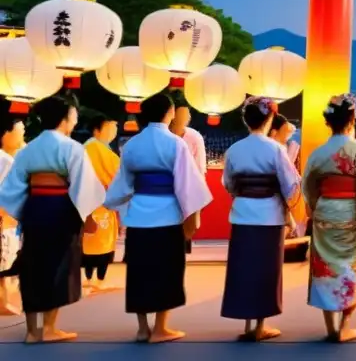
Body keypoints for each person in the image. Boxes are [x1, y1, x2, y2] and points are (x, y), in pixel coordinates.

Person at [105, 92, 213, 343]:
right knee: (167, 271)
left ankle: (143, 328)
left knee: (140, 272)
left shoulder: (132, 144)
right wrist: (192, 217)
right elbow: (188, 184)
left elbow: (123, 183)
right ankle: (161, 327)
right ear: (169, 113)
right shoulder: (176, 143)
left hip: (139, 215)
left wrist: (115, 204)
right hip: (168, 215)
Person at [0, 95, 105, 343]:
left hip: (35, 208)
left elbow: (12, 187)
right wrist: (85, 217)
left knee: (33, 266)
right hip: (61, 209)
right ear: (65, 119)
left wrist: (23, 211)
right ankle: (48, 327)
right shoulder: (71, 148)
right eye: (73, 116)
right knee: (58, 266)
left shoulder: (29, 149)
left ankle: (31, 331)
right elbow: (83, 188)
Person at [302, 94, 356, 342]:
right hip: (351, 214)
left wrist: (314, 209)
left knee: (325, 269)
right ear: (352, 119)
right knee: (349, 268)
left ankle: (330, 327)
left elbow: (308, 189)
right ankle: (345, 325)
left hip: (325, 212)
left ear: (328, 122)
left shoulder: (318, 154)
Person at [220, 97, 301, 341]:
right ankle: (260, 325)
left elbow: (229, 185)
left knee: (243, 270)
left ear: (246, 119)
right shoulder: (275, 148)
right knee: (266, 270)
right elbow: (290, 185)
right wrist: (289, 208)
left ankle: (247, 324)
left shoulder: (234, 149)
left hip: (243, 214)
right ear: (269, 119)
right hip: (269, 215)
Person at [82, 115, 121, 294]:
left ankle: (93, 279)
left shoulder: (90, 149)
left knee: (96, 242)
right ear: (97, 129)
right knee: (97, 243)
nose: (113, 132)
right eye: (110, 127)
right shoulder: (91, 149)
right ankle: (94, 279)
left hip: (96, 203)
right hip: (98, 202)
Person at [169, 102, 207, 255]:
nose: (188, 117)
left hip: (187, 186)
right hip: (166, 186)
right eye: (184, 113)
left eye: (188, 113)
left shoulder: (194, 136)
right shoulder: (164, 134)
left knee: (187, 225)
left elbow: (200, 166)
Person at [0, 114, 26, 316]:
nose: (22, 135)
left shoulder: (10, 158)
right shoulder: (6, 160)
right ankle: (2, 302)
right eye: (19, 132)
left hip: (8, 218)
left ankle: (4, 301)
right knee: (3, 261)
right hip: (4, 218)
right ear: (5, 134)